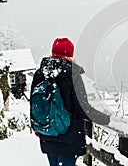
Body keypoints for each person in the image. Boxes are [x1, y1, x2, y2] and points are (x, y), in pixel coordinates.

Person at [30, 38, 115, 166]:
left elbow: (35, 104)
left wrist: (37, 126)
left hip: (48, 133)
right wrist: (107, 119)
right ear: (70, 55)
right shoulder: (72, 75)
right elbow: (83, 108)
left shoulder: (40, 73)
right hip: (68, 138)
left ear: (52, 52)